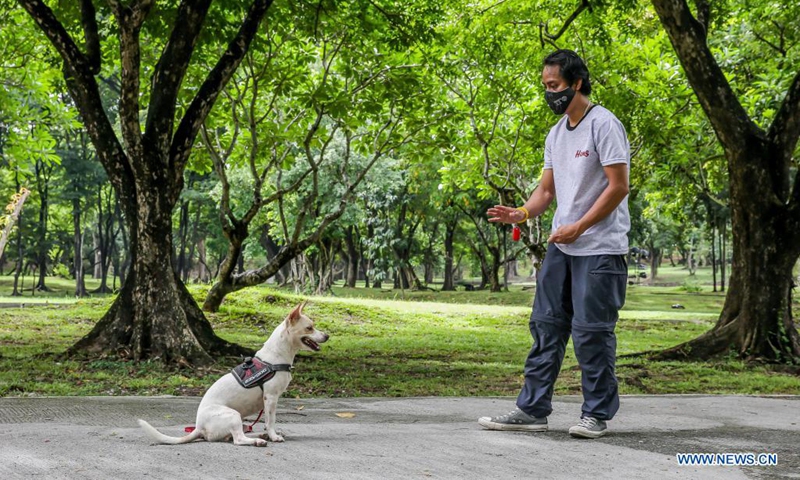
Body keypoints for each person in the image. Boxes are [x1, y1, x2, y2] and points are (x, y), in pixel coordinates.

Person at [480, 49, 630, 439]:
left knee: (591, 332)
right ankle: (532, 410)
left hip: (600, 248)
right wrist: (522, 213)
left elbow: (618, 187)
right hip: (562, 247)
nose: (549, 94)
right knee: (545, 326)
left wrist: (579, 226)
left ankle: (596, 414)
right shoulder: (556, 133)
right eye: (546, 86)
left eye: (555, 86)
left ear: (576, 83)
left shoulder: (604, 125)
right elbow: (546, 191)